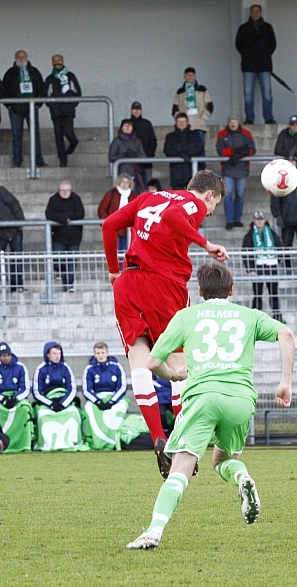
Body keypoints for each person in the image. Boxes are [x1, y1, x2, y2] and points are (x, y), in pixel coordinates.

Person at [126, 263, 294, 549]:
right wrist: (285, 382)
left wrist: (174, 374)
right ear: (231, 290)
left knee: (180, 467)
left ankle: (153, 531)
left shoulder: (186, 316)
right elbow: (286, 335)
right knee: (222, 460)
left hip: (203, 396)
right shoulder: (249, 316)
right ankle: (242, 478)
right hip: (240, 399)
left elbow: (152, 362)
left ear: (200, 291)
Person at [101, 169, 227, 477]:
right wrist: (205, 243)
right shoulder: (192, 204)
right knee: (178, 359)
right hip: (165, 286)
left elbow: (109, 224)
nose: (209, 213)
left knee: (139, 357)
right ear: (209, 195)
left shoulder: (148, 197)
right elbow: (173, 217)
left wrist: (113, 269)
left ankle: (157, 433)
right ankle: (180, 438)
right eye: (215, 206)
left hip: (128, 281)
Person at [2, 50, 46, 168]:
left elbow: (41, 87)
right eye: (19, 57)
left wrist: (39, 103)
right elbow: (4, 89)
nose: (21, 59)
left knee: (35, 134)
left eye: (23, 56)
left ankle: (38, 160)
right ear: (15, 58)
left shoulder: (34, 71)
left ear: (27, 57)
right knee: (17, 136)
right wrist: (8, 105)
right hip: (15, 109)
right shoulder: (10, 73)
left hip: (31, 108)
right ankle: (17, 161)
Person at [235, 4, 276, 125]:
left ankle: (268, 118)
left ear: (261, 12)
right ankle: (249, 118)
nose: (255, 13)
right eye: (253, 11)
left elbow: (273, 44)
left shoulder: (268, 27)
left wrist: (264, 56)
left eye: (258, 11)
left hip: (264, 66)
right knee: (248, 95)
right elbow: (238, 44)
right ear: (250, 13)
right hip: (248, 66)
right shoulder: (243, 28)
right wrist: (247, 55)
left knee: (267, 94)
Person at [216, 115, 256, 229]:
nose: (233, 124)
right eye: (231, 122)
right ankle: (230, 220)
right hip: (228, 169)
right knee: (228, 196)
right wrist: (234, 152)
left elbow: (252, 149)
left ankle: (237, 219)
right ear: (228, 123)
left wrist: (241, 153)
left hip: (242, 169)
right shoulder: (222, 134)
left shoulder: (246, 133)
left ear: (239, 123)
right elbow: (220, 151)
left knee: (240, 195)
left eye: (235, 122)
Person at [242, 210, 282, 322]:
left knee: (274, 293)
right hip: (257, 268)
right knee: (257, 293)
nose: (259, 222)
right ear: (254, 220)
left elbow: (279, 248)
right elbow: (245, 254)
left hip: (271, 266)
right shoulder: (249, 235)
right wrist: (250, 269)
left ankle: (277, 316)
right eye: (257, 219)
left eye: (261, 219)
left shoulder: (272, 233)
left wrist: (276, 262)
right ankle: (255, 317)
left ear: (265, 220)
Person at [46, 180, 85, 292]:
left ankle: (69, 285)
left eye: (67, 190)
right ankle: (61, 274)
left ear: (71, 190)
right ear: (58, 191)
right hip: (59, 236)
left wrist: (66, 218)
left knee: (71, 262)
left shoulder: (76, 199)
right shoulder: (53, 200)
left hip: (74, 237)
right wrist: (65, 219)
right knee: (58, 260)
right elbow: (49, 214)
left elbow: (80, 213)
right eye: (62, 190)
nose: (64, 192)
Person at [43, 55, 82, 167]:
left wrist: (72, 105)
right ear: (52, 63)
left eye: (59, 60)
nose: (57, 62)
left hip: (68, 111)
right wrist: (52, 106)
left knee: (68, 132)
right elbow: (45, 95)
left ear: (63, 61)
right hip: (56, 112)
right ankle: (63, 161)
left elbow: (77, 92)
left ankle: (74, 142)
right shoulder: (50, 78)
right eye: (54, 61)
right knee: (58, 136)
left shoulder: (70, 76)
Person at [270, 173, 297, 253]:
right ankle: (288, 266)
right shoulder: (279, 183)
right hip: (287, 221)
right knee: (286, 247)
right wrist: (278, 215)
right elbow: (275, 201)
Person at [98, 174, 138, 255]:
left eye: (127, 182)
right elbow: (102, 209)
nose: (125, 184)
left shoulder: (133, 196)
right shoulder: (111, 194)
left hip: (128, 231)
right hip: (114, 230)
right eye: (123, 181)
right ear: (119, 182)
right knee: (114, 255)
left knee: (126, 254)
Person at [172, 67, 213, 146]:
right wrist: (180, 121)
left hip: (199, 126)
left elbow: (210, 105)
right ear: (184, 77)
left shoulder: (202, 89)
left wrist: (203, 118)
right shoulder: (180, 91)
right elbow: (175, 108)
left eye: (192, 75)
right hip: (184, 127)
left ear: (195, 76)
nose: (190, 77)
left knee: (199, 149)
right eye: (188, 75)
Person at [164, 111, 205, 190]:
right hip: (176, 172)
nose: (181, 123)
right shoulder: (170, 136)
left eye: (183, 121)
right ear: (176, 123)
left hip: (192, 172)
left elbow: (200, 148)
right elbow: (167, 150)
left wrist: (188, 154)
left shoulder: (195, 135)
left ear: (187, 122)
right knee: (178, 199)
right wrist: (180, 154)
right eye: (179, 121)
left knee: (192, 199)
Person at [31, 341, 76, 411]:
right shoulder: (40, 369)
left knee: (73, 412)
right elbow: (37, 392)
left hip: (64, 399)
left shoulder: (66, 368)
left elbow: (72, 390)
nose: (57, 356)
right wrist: (51, 404)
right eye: (54, 354)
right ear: (48, 355)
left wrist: (63, 404)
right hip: (47, 401)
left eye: (59, 353)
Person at [82, 342, 126, 409]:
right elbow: (86, 390)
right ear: (95, 355)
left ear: (107, 353)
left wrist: (112, 401)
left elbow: (122, 387)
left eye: (103, 353)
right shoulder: (89, 369)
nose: (100, 355)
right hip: (97, 396)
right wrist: (97, 401)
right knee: (89, 408)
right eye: (98, 353)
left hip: (114, 396)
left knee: (120, 407)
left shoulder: (117, 367)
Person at [0, 342, 29, 408]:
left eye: (8, 355)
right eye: (3, 356)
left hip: (16, 397)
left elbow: (25, 388)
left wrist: (15, 398)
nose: (6, 358)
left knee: (25, 407)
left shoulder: (20, 367)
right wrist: (3, 398)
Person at [108, 119, 146, 191]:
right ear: (121, 127)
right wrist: (123, 155)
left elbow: (143, 157)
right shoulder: (117, 141)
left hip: (135, 175)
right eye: (126, 125)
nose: (128, 127)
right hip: (121, 176)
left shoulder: (137, 141)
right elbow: (111, 157)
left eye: (130, 126)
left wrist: (135, 156)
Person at [130, 102, 158, 185]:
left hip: (146, 162)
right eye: (134, 109)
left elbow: (153, 141)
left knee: (148, 186)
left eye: (138, 109)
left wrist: (149, 155)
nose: (136, 111)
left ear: (141, 111)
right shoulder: (127, 124)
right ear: (131, 111)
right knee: (133, 187)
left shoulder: (147, 123)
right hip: (132, 163)